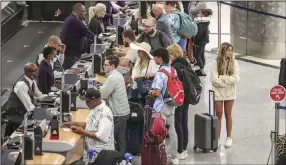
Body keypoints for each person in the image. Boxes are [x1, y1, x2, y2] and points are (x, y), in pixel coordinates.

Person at [62, 88, 114, 165]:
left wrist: (82, 132)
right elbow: (90, 125)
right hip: (90, 154)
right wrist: (74, 123)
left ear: (95, 100)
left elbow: (101, 136)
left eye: (88, 101)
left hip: (101, 156)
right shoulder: (95, 109)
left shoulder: (105, 114)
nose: (86, 103)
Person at [149, 48, 179, 164]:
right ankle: (174, 157)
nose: (154, 59)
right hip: (172, 104)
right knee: (172, 131)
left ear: (160, 58)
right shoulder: (172, 70)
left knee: (159, 132)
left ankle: (161, 157)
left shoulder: (160, 73)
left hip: (161, 107)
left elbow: (157, 92)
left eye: (155, 57)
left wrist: (150, 92)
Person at [210, 42, 240, 148]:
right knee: (218, 114)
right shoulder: (215, 62)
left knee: (228, 114)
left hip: (230, 92)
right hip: (218, 92)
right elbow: (214, 79)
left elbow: (236, 78)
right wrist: (226, 79)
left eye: (231, 50)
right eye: (228, 50)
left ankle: (229, 137)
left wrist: (222, 78)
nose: (230, 52)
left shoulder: (235, 62)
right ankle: (217, 138)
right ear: (223, 51)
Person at [5, 63, 48, 135]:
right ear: (28, 72)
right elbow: (29, 107)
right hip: (17, 115)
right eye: (35, 71)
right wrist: (45, 114)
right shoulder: (21, 85)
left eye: (37, 70)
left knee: (45, 118)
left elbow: (39, 95)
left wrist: (51, 97)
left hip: (25, 112)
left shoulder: (32, 81)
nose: (38, 72)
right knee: (42, 122)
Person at [99, 55, 130, 153]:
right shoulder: (117, 74)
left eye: (105, 65)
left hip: (118, 113)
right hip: (123, 111)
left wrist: (95, 90)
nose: (103, 67)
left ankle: (117, 159)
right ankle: (123, 160)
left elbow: (102, 94)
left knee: (113, 139)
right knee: (120, 139)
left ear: (112, 66)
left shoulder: (112, 77)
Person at [167, 44, 190, 159]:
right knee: (184, 122)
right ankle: (184, 149)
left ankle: (179, 149)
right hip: (187, 97)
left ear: (173, 54)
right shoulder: (186, 63)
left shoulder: (175, 67)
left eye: (169, 54)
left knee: (177, 123)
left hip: (178, 97)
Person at [61, 3, 95, 69]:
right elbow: (88, 33)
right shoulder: (75, 21)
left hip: (68, 53)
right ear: (77, 11)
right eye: (83, 11)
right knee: (72, 74)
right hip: (73, 55)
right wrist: (100, 40)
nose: (85, 13)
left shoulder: (68, 18)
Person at [193, 9, 213, 76]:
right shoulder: (206, 22)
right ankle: (202, 70)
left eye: (199, 13)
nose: (198, 15)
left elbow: (199, 34)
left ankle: (202, 71)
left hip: (200, 41)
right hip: (204, 40)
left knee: (197, 55)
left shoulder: (201, 23)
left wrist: (195, 40)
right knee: (201, 55)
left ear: (203, 14)